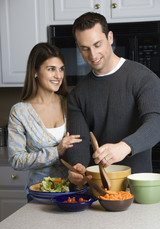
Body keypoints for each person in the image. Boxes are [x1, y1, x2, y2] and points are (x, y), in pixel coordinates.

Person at [65, 12, 160, 186]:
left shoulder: (143, 78)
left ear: (110, 37)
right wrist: (77, 166)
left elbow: (156, 123)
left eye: (97, 44)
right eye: (85, 48)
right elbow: (79, 140)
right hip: (98, 189)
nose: (92, 55)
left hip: (138, 187)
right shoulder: (77, 94)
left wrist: (124, 147)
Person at [8, 42, 82, 197]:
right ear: (35, 72)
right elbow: (17, 160)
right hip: (40, 195)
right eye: (51, 69)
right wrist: (56, 151)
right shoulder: (20, 112)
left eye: (61, 69)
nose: (58, 75)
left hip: (74, 191)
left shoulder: (70, 103)